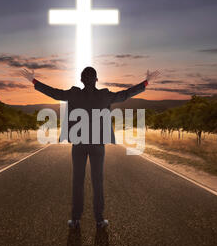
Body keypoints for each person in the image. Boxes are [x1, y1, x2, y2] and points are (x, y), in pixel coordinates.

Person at [20, 67, 159, 229]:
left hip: (78, 144)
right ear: (96, 80)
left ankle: (75, 220)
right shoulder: (105, 95)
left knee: (77, 181)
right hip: (98, 145)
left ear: (81, 80)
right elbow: (125, 94)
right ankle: (99, 220)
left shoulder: (73, 94)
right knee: (97, 181)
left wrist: (34, 81)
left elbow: (54, 93)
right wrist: (146, 82)